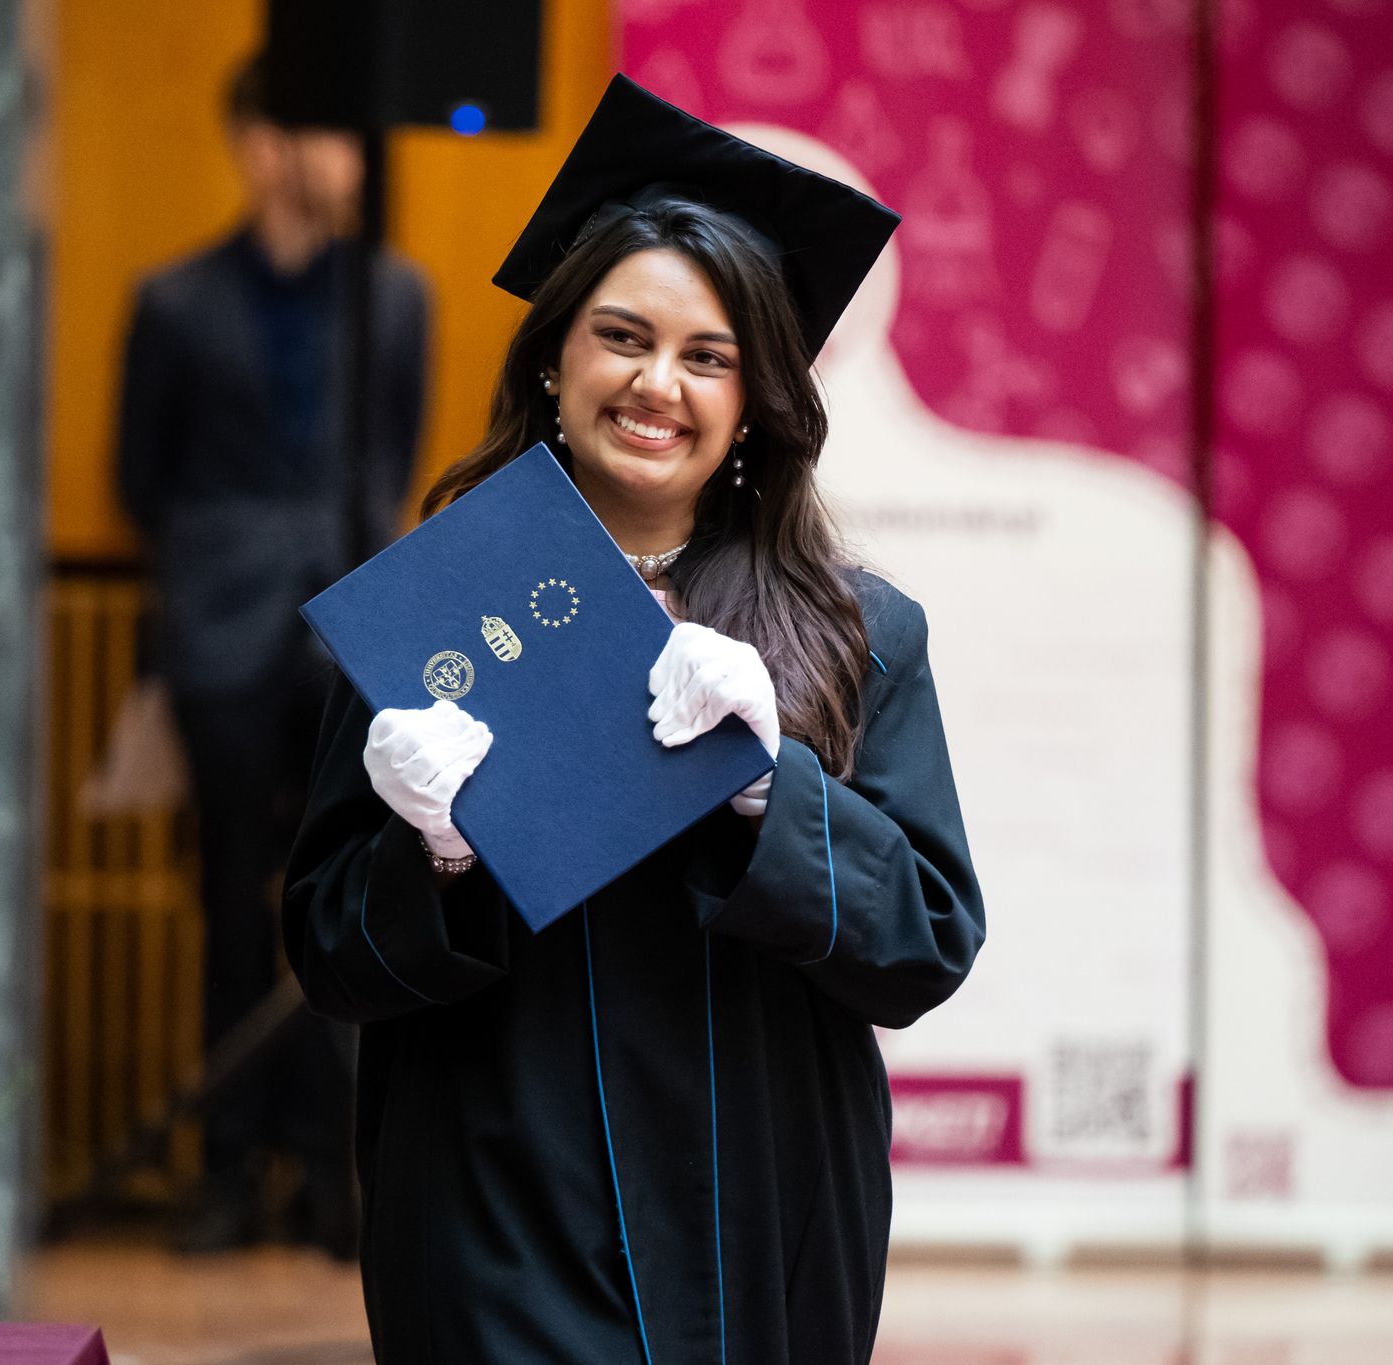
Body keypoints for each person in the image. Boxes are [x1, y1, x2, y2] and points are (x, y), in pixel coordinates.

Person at [283, 76, 984, 1361]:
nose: (658, 383)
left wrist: (769, 786)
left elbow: (922, 948)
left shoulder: (857, 632)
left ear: (756, 397)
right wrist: (433, 853)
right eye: (621, 337)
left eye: (708, 356)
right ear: (553, 357)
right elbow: (331, 958)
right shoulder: (438, 615)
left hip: (760, 1210)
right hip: (498, 1203)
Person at [116, 56, 429, 1256]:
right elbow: (139, 478)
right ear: (248, 141)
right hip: (218, 632)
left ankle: (336, 1171)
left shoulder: (393, 293)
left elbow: (392, 456)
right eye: (294, 128)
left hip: (351, 631)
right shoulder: (173, 301)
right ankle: (227, 1171)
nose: (318, 154)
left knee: (345, 893)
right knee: (228, 900)